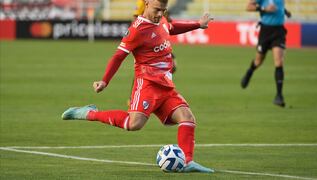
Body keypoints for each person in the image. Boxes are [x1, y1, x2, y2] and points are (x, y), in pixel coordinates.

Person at [62, 0, 214, 173]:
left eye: (163, 10)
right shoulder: (137, 30)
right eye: (157, 10)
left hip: (166, 86)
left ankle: (187, 161)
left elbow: (170, 27)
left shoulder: (161, 19)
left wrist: (198, 25)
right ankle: (89, 113)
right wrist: (105, 81)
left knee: (187, 118)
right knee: (134, 124)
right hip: (147, 84)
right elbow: (118, 56)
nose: (159, 14)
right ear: (147, 3)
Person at [241, 0, 291, 107]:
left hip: (279, 31)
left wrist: (285, 11)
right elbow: (248, 6)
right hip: (265, 31)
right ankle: (249, 72)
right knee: (258, 61)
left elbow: (279, 6)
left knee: (279, 61)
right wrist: (264, 9)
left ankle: (279, 96)